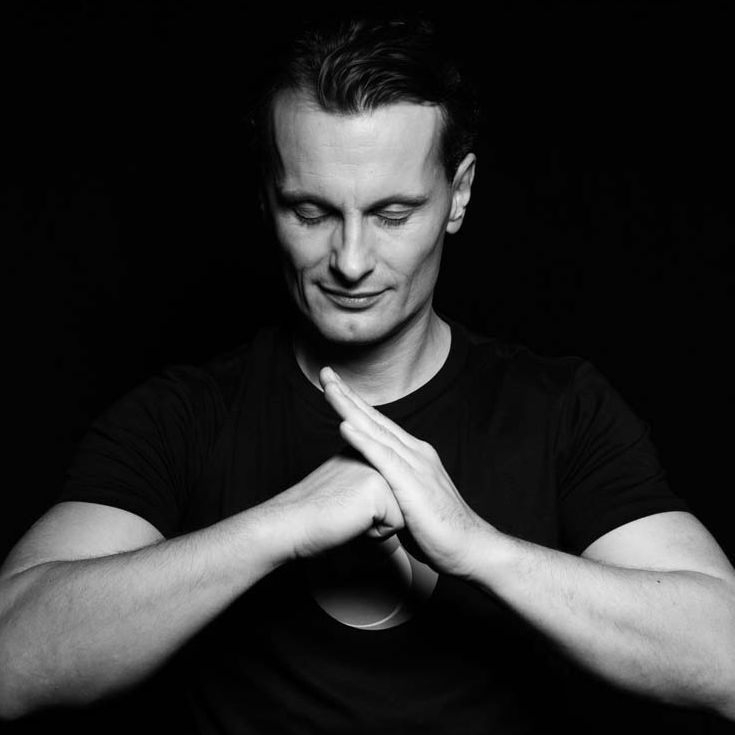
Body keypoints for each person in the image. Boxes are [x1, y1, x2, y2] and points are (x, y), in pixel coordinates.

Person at [1, 14, 734, 734]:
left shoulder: (560, 409)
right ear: (267, 197)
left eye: (392, 213)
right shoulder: (182, 416)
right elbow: (11, 663)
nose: (350, 261)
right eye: (310, 211)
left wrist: (475, 546)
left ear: (459, 193)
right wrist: (280, 525)